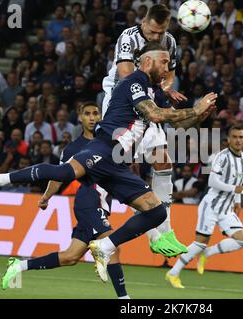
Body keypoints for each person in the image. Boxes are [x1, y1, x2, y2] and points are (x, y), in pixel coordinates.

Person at [0, 42, 217, 283]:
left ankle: (105, 246)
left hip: (119, 163)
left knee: (155, 211)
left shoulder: (155, 92)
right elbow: (154, 114)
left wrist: (200, 117)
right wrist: (194, 110)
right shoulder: (134, 81)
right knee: (65, 172)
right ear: (148, 61)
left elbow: (174, 122)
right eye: (164, 62)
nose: (168, 67)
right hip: (106, 148)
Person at [0, 102, 130, 299]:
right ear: (80, 118)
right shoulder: (73, 148)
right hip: (89, 201)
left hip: (101, 204)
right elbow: (58, 176)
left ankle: (20, 265)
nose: (92, 117)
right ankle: (124, 300)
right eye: (87, 114)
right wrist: (46, 197)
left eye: (96, 113)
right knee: (113, 248)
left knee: (70, 257)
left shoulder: (111, 142)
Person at [101, 4, 190, 256]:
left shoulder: (169, 41)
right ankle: (154, 237)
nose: (155, 37)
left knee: (163, 162)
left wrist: (165, 87)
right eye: (152, 32)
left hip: (149, 99)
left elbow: (169, 74)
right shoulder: (128, 37)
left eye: (159, 32)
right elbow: (127, 75)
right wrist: (160, 89)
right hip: (122, 103)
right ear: (144, 22)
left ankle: (167, 231)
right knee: (131, 170)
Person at [166, 126, 243, 289]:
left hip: (226, 209)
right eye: (235, 137)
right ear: (229, 140)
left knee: (241, 240)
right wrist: (234, 190)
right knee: (200, 242)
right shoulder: (221, 157)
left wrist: (237, 200)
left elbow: (238, 181)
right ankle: (173, 273)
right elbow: (212, 182)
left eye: (241, 137)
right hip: (211, 205)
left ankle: (207, 254)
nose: (239, 140)